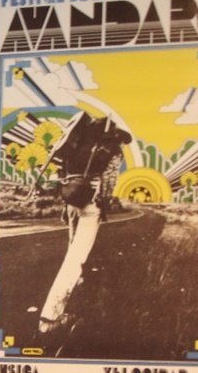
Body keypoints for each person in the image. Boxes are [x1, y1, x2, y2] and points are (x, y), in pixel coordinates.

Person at [39, 111, 132, 333]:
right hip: (91, 203)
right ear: (117, 136)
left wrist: (67, 203)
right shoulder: (112, 150)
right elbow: (108, 181)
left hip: (71, 200)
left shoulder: (78, 144)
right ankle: (50, 318)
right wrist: (105, 203)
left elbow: (65, 173)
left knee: (73, 247)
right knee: (76, 258)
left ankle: (76, 284)